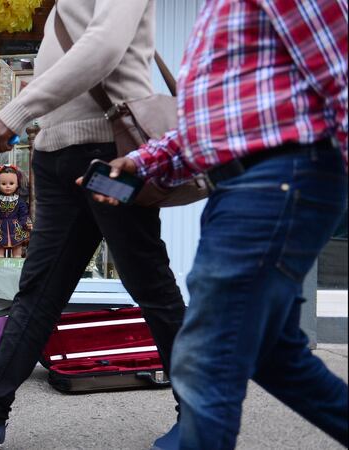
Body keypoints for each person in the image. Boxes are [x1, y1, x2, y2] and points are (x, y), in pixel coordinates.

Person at [0, 1, 187, 448]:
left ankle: (201, 416)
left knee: (150, 285)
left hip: (111, 157)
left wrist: (13, 114)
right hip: (58, 159)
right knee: (38, 292)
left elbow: (104, 47)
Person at [85, 1, 348, 448]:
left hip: (276, 179)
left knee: (206, 354)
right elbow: (212, 125)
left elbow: (342, 81)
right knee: (271, 354)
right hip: (246, 182)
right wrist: (141, 162)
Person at [0, 165, 31, 259]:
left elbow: (23, 214)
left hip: (16, 228)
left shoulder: (20, 201)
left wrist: (23, 223)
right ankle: (0, 267)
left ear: (17, 184)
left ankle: (16, 269)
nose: (7, 186)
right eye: (3, 184)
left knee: (17, 253)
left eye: (11, 183)